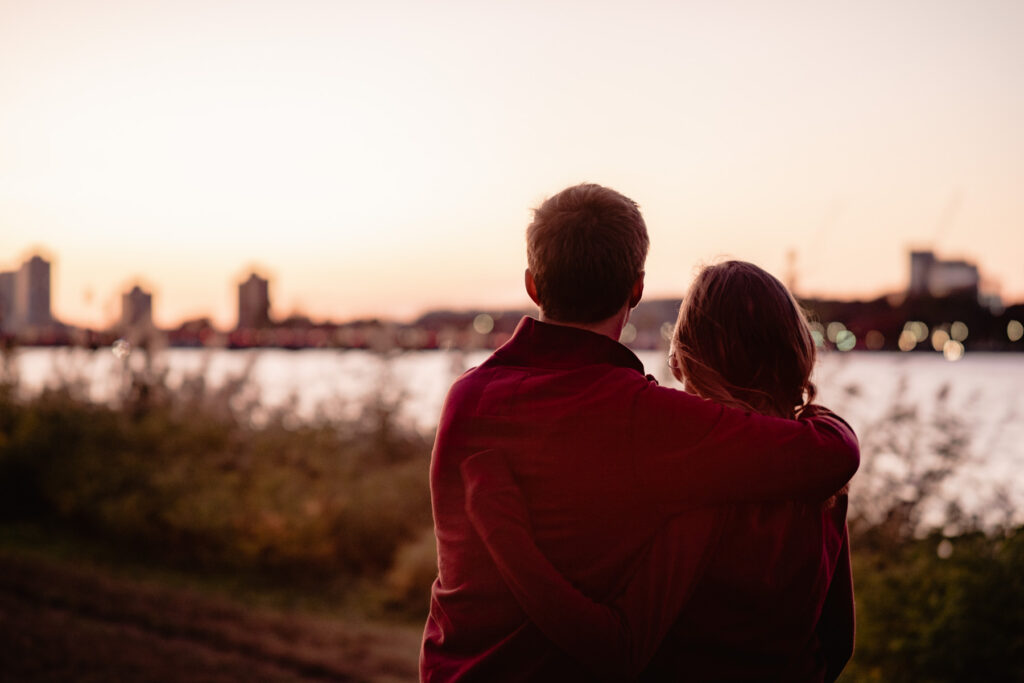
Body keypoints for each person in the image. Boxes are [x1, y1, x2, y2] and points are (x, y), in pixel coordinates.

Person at [419, 184, 858, 681]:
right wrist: (827, 421)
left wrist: (502, 531)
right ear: (637, 288)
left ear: (533, 286)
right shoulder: (652, 421)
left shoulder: (466, 399)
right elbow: (823, 461)